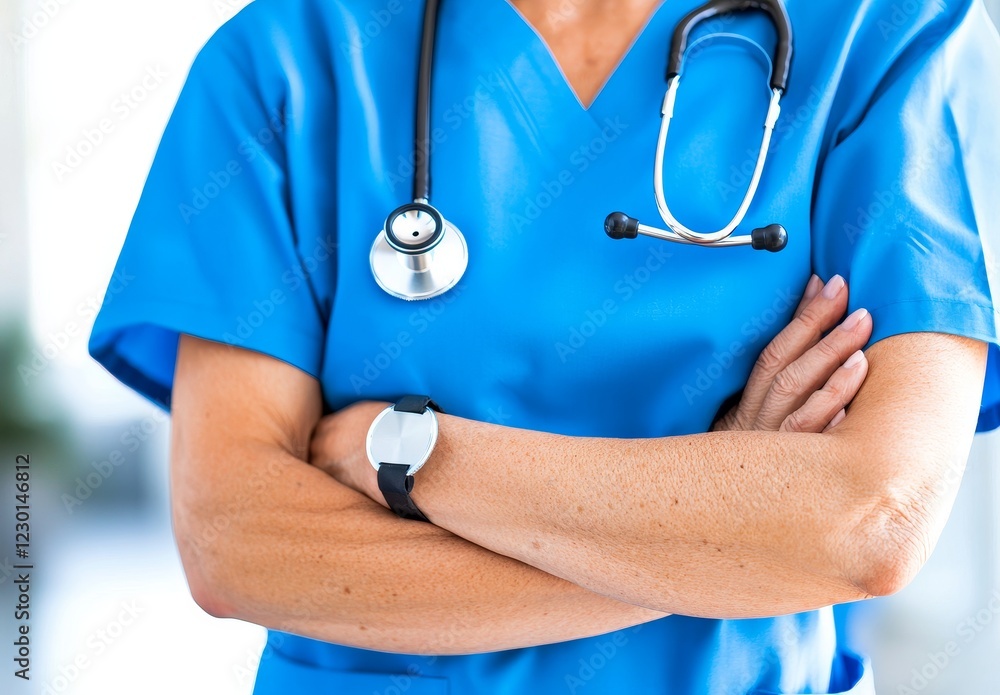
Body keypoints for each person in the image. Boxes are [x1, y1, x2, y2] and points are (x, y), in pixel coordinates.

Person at [89, 0, 1000, 692]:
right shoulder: (290, 56)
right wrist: (733, 545)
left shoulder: (887, 38)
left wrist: (414, 455)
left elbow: (867, 521)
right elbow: (236, 541)